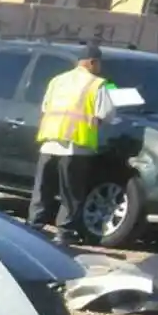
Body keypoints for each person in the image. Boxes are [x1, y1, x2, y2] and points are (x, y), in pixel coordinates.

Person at [29, 41, 116, 240]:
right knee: (70, 193)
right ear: (93, 63)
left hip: (49, 143)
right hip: (75, 147)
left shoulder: (57, 80)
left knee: (42, 189)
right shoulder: (96, 84)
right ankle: (64, 232)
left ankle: (34, 226)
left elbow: (45, 107)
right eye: (99, 64)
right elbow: (108, 114)